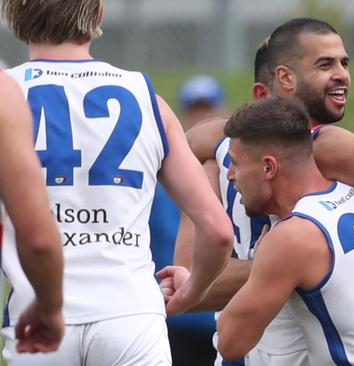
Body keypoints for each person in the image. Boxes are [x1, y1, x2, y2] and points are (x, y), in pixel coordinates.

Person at [162, 5, 354, 365]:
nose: (342, 74)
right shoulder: (226, 149)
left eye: (344, 63)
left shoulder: (319, 150)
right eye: (325, 65)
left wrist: (279, 268)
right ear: (280, 82)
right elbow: (188, 289)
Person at [0, 1, 234, 365]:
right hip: (130, 315)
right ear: (98, 14)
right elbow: (218, 230)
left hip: (38, 316)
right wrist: (194, 291)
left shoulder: (7, 93)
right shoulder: (146, 98)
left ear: (13, 17)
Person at [212, 96, 354, 365]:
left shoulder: (292, 238)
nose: (231, 174)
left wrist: (262, 265)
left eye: (236, 162)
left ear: (269, 167)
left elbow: (231, 342)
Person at [149, 74, 229, 366]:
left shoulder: (237, 177)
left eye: (208, 108)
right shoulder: (157, 179)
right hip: (172, 321)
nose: (201, 116)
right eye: (194, 109)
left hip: (220, 318)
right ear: (182, 116)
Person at [0, 72, 64, 355]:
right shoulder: (6, 92)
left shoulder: (12, 85)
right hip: (127, 313)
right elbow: (216, 230)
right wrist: (49, 306)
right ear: (97, 23)